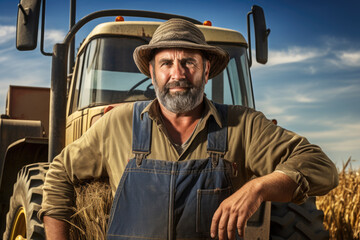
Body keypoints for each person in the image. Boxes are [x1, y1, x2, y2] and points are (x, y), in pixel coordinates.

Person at [39, 18, 338, 240]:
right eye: (166, 63)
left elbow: (322, 167)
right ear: (153, 73)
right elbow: (59, 173)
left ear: (206, 70)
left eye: (189, 62)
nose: (177, 74)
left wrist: (258, 187)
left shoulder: (242, 125)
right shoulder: (117, 124)